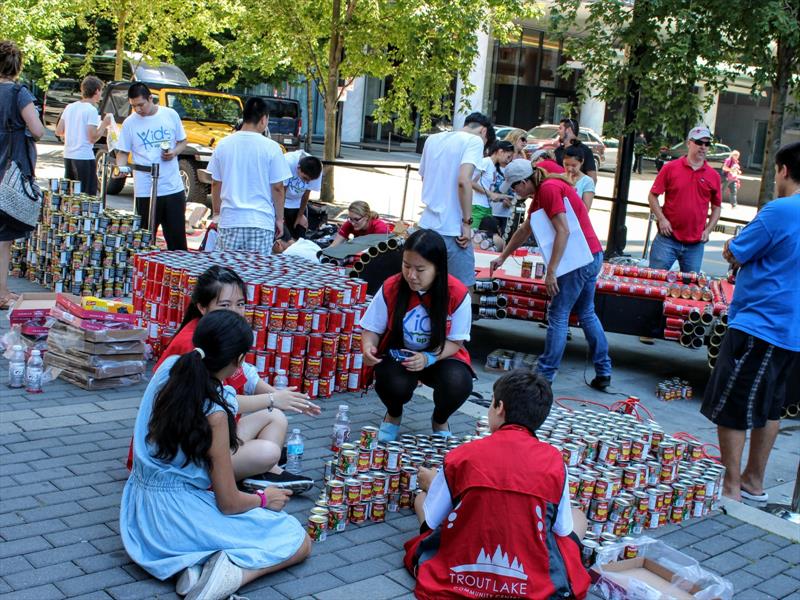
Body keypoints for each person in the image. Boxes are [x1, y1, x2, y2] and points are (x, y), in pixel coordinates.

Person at [121, 310, 311, 599]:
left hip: (138, 512)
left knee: (237, 528)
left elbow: (232, 401)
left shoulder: (171, 368)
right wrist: (264, 499)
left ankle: (192, 566)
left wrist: (272, 398)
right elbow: (229, 503)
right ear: (239, 361)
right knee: (297, 539)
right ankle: (229, 578)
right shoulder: (215, 413)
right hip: (176, 516)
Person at [403, 369, 590, 600]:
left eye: (491, 403)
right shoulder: (555, 462)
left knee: (422, 499)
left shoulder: (462, 455)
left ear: (499, 407)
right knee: (578, 517)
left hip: (462, 568)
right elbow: (561, 529)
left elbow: (431, 521)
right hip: (531, 581)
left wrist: (433, 485)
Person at [151, 265, 318, 492]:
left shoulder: (215, 332)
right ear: (202, 307)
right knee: (269, 451)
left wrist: (286, 398)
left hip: (206, 433)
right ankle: (251, 473)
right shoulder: (192, 344)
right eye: (225, 305)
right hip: (186, 450)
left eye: (240, 304)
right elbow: (214, 401)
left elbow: (245, 376)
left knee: (276, 417)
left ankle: (263, 472)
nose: (235, 312)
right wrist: (273, 399)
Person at [700, 141, 800, 503]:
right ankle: (753, 481)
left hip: (761, 323)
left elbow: (736, 251)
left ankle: (731, 488)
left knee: (733, 405)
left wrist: (733, 246)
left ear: (784, 170)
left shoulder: (781, 210)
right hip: (792, 331)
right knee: (769, 407)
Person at [490, 160, 612, 389]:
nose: (514, 192)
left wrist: (552, 272)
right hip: (591, 254)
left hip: (578, 260)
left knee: (558, 314)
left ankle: (545, 375)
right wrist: (503, 256)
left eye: (515, 187)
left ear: (524, 182)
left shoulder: (548, 189)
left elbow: (563, 231)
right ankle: (604, 371)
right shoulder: (544, 190)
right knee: (586, 312)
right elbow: (525, 229)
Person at [361, 229, 473, 441]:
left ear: (438, 268)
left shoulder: (457, 293)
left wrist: (429, 358)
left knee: (458, 383)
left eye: (420, 269)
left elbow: (456, 342)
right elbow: (371, 329)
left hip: (441, 356)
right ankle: (393, 414)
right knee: (389, 380)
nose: (411, 275)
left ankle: (440, 420)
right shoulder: (392, 286)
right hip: (401, 355)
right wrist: (368, 347)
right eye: (406, 266)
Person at [418, 112, 495, 287]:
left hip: (426, 225)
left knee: (426, 287)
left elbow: (424, 177)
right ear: (483, 131)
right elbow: (463, 180)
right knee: (462, 291)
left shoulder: (432, 139)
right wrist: (467, 224)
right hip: (453, 231)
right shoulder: (474, 141)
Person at [208, 97, 290, 253]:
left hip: (230, 220)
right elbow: (278, 187)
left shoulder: (223, 144)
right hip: (260, 222)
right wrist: (280, 219)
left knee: (227, 267)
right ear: (263, 119)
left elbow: (216, 183)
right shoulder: (272, 148)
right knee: (256, 268)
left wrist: (217, 212)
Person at [115, 82, 188, 250]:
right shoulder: (130, 123)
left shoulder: (170, 114)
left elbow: (183, 141)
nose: (138, 109)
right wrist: (120, 168)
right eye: (133, 106)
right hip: (145, 189)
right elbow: (122, 152)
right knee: (144, 241)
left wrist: (174, 152)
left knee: (177, 241)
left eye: (141, 104)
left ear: (150, 98)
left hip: (172, 187)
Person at [0, 41, 44, 310]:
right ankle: (2, 292)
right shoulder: (19, 93)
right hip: (9, 172)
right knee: (3, 238)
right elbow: (37, 130)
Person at [647, 126, 721, 273]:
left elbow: (717, 207)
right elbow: (652, 195)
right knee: (655, 280)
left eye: (707, 144)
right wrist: (662, 219)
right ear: (689, 143)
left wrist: (708, 230)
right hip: (667, 239)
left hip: (695, 244)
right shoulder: (670, 168)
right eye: (699, 142)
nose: (703, 147)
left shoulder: (714, 176)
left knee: (690, 286)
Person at [55, 75, 112, 195]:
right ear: (97, 91)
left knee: (70, 193)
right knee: (86, 194)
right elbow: (92, 137)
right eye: (101, 90)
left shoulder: (70, 107)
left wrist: (74, 131)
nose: (101, 94)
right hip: (84, 156)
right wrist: (104, 124)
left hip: (68, 155)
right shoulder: (91, 110)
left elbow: (59, 131)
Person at [471, 139, 513, 228]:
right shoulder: (485, 162)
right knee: (473, 234)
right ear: (500, 151)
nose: (508, 161)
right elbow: (471, 182)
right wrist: (491, 194)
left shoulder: (493, 166)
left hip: (486, 207)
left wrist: (501, 197)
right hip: (477, 206)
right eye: (508, 157)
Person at [282, 150, 322, 240]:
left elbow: (306, 194)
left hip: (297, 203)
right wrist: (280, 217)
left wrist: (300, 215)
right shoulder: (287, 162)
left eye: (309, 180)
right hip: (281, 200)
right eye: (305, 178)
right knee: (284, 237)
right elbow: (281, 191)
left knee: (300, 233)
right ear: (298, 168)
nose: (306, 182)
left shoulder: (317, 169)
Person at [554, 118, 597, 183]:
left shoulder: (585, 150)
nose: (558, 131)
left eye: (560, 128)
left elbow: (592, 178)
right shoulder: (558, 150)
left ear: (568, 130)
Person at [563, 145, 595, 211]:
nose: (569, 169)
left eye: (574, 165)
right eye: (566, 164)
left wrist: (571, 190)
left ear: (582, 162)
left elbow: (585, 210)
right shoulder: (559, 177)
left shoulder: (587, 181)